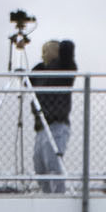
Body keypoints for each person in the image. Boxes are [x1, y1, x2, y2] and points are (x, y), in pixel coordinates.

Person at [30, 38, 76, 193]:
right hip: (41, 126)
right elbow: (26, 83)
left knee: (53, 163)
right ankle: (47, 195)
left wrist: (60, 48)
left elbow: (68, 49)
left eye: (48, 49)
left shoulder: (63, 68)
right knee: (39, 165)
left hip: (56, 124)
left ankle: (58, 196)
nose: (44, 52)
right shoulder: (39, 73)